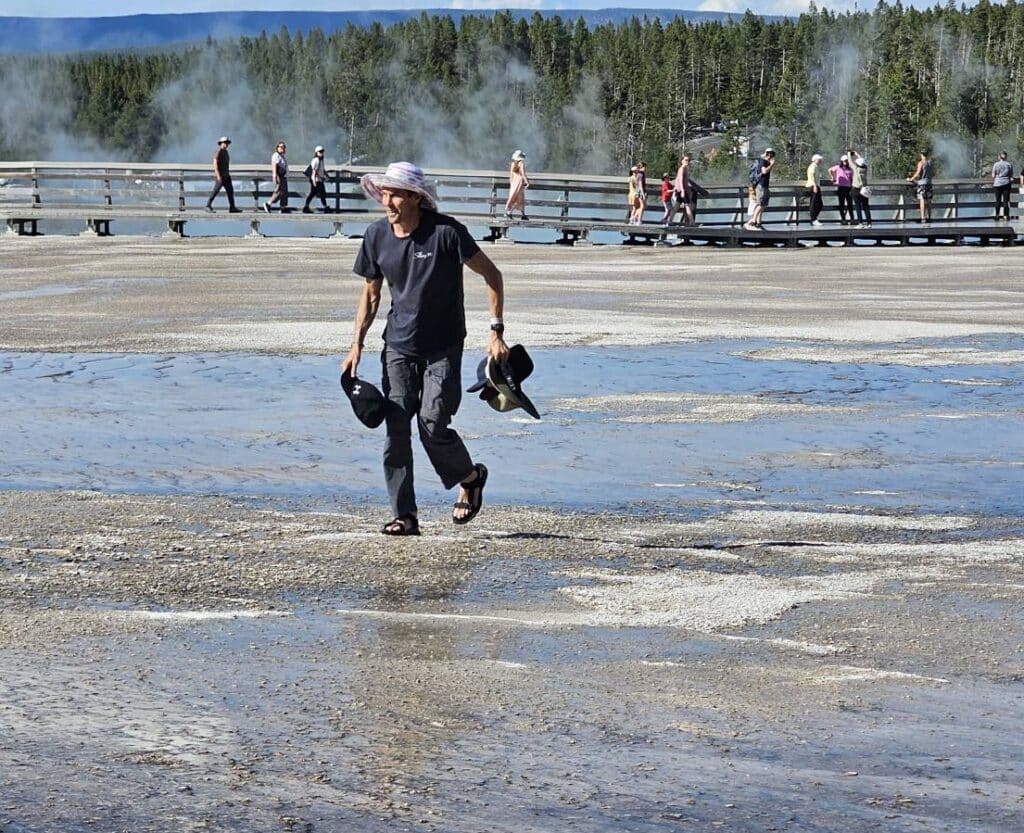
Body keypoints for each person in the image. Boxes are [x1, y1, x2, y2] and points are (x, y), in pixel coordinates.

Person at [341, 161, 510, 536]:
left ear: (416, 198)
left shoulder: (447, 233)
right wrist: (355, 346)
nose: (388, 200)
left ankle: (470, 477)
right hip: (398, 346)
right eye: (385, 193)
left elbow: (492, 275)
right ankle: (405, 515)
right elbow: (370, 297)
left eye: (396, 193)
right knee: (397, 426)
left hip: (443, 347)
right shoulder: (375, 237)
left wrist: (496, 331)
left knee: (433, 423)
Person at [205, 136, 241, 213]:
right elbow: (215, 164)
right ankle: (208, 205)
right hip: (221, 176)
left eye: (227, 143)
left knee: (230, 191)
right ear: (221, 143)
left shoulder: (226, 152)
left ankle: (232, 207)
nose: (226, 144)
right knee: (215, 191)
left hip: (226, 176)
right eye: (225, 143)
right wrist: (218, 176)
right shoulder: (219, 152)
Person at [745, 147, 775, 230]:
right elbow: (764, 171)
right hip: (761, 186)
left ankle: (758, 223)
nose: (771, 156)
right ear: (767, 154)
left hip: (763, 186)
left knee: (763, 204)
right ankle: (753, 221)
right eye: (770, 154)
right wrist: (772, 164)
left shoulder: (764, 162)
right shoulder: (763, 161)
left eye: (772, 155)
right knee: (761, 204)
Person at [906, 150, 933, 223]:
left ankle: (923, 217)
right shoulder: (930, 162)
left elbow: (918, 173)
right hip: (929, 183)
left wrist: (911, 179)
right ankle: (930, 217)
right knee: (929, 201)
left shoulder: (921, 163)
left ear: (921, 154)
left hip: (922, 184)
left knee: (922, 200)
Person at [828, 154, 854, 225]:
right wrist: (833, 177)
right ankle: (843, 219)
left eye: (846, 161)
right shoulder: (838, 167)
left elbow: (851, 179)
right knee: (841, 204)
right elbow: (829, 170)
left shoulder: (850, 169)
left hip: (848, 188)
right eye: (844, 161)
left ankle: (852, 219)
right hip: (841, 188)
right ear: (841, 161)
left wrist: (852, 186)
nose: (845, 162)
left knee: (850, 204)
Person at [504, 149, 530, 221]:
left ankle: (522, 214)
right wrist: (527, 182)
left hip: (514, 182)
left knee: (514, 197)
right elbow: (523, 174)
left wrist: (511, 182)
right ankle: (510, 212)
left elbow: (511, 174)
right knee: (519, 198)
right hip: (519, 182)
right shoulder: (521, 163)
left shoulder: (513, 164)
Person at [303, 145, 329, 213]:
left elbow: (323, 169)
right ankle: (325, 207)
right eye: (320, 152)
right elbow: (314, 172)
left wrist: (327, 176)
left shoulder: (321, 160)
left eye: (322, 151)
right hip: (316, 180)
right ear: (316, 153)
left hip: (319, 180)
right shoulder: (316, 160)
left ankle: (306, 207)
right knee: (317, 193)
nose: (322, 153)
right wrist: (314, 182)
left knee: (319, 193)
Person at [850, 152, 872, 228]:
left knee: (858, 207)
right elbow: (861, 161)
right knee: (866, 206)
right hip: (864, 189)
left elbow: (850, 161)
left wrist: (850, 153)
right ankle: (869, 223)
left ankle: (860, 223)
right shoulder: (865, 168)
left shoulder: (856, 169)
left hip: (856, 189)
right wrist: (858, 154)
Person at [673, 155, 694, 226]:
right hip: (682, 191)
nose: (687, 162)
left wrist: (688, 189)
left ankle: (669, 221)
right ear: (682, 161)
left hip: (683, 190)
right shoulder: (682, 169)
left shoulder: (685, 169)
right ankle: (692, 222)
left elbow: (685, 181)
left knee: (676, 207)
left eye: (688, 160)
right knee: (687, 206)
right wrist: (682, 190)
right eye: (686, 160)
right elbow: (680, 180)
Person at [991, 151, 1013, 221]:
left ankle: (997, 215)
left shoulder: (996, 164)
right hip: (1006, 183)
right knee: (1006, 201)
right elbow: (1011, 176)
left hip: (997, 184)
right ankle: (1006, 216)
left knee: (998, 201)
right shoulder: (1009, 164)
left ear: (999, 156)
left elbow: (993, 175)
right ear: (1006, 157)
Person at [805, 153, 823, 226]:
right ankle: (814, 219)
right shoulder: (813, 166)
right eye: (819, 159)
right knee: (813, 203)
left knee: (820, 204)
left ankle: (813, 219)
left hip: (815, 186)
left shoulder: (816, 166)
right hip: (813, 186)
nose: (820, 161)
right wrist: (815, 186)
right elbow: (812, 176)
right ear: (815, 160)